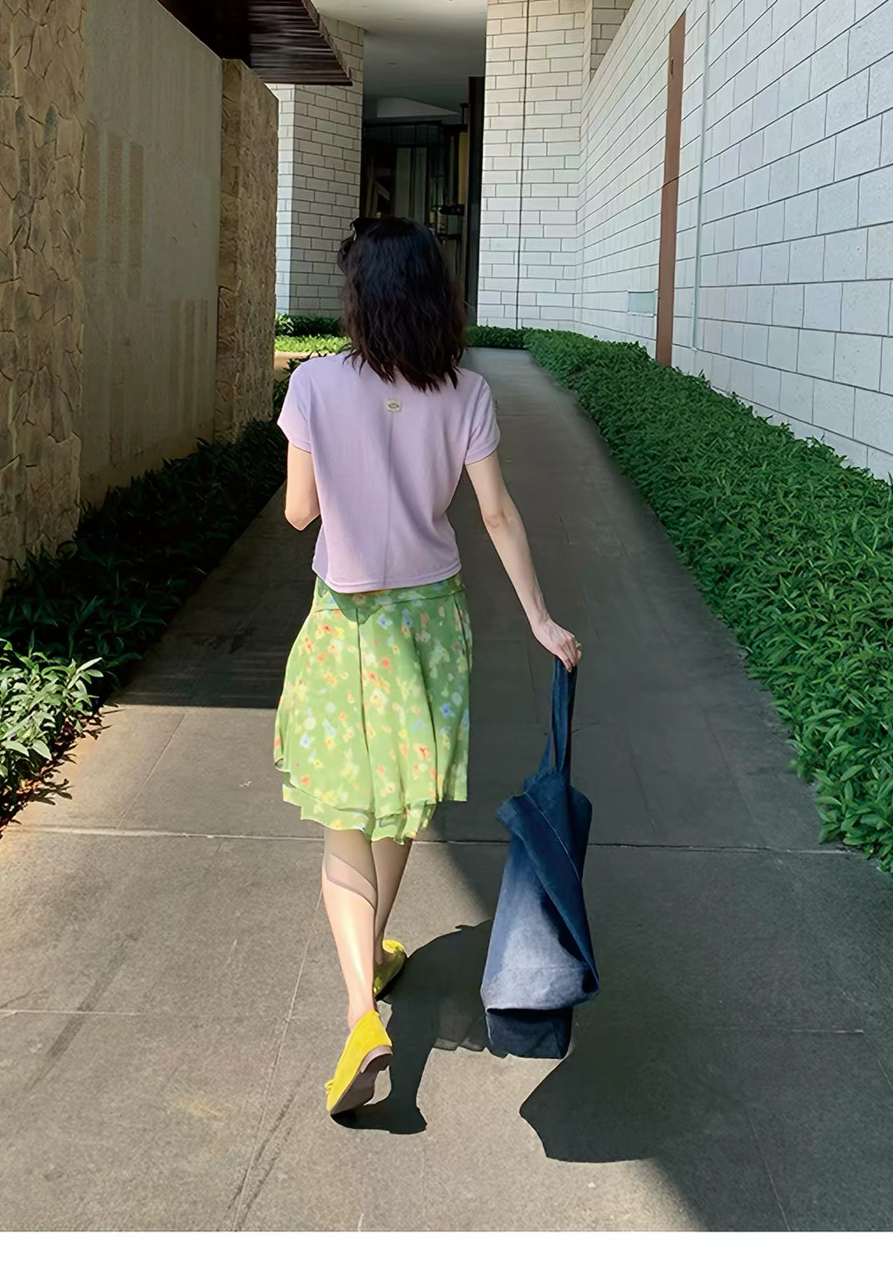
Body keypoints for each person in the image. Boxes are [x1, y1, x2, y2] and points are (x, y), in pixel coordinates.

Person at [273, 217, 580, 1119]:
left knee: (345, 823)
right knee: (400, 808)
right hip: (431, 625)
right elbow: (497, 515)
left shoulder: (314, 384)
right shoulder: (467, 393)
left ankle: (360, 1015)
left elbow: (298, 513)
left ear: (359, 298)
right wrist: (540, 618)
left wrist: (344, 467)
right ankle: (371, 957)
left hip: (348, 625)